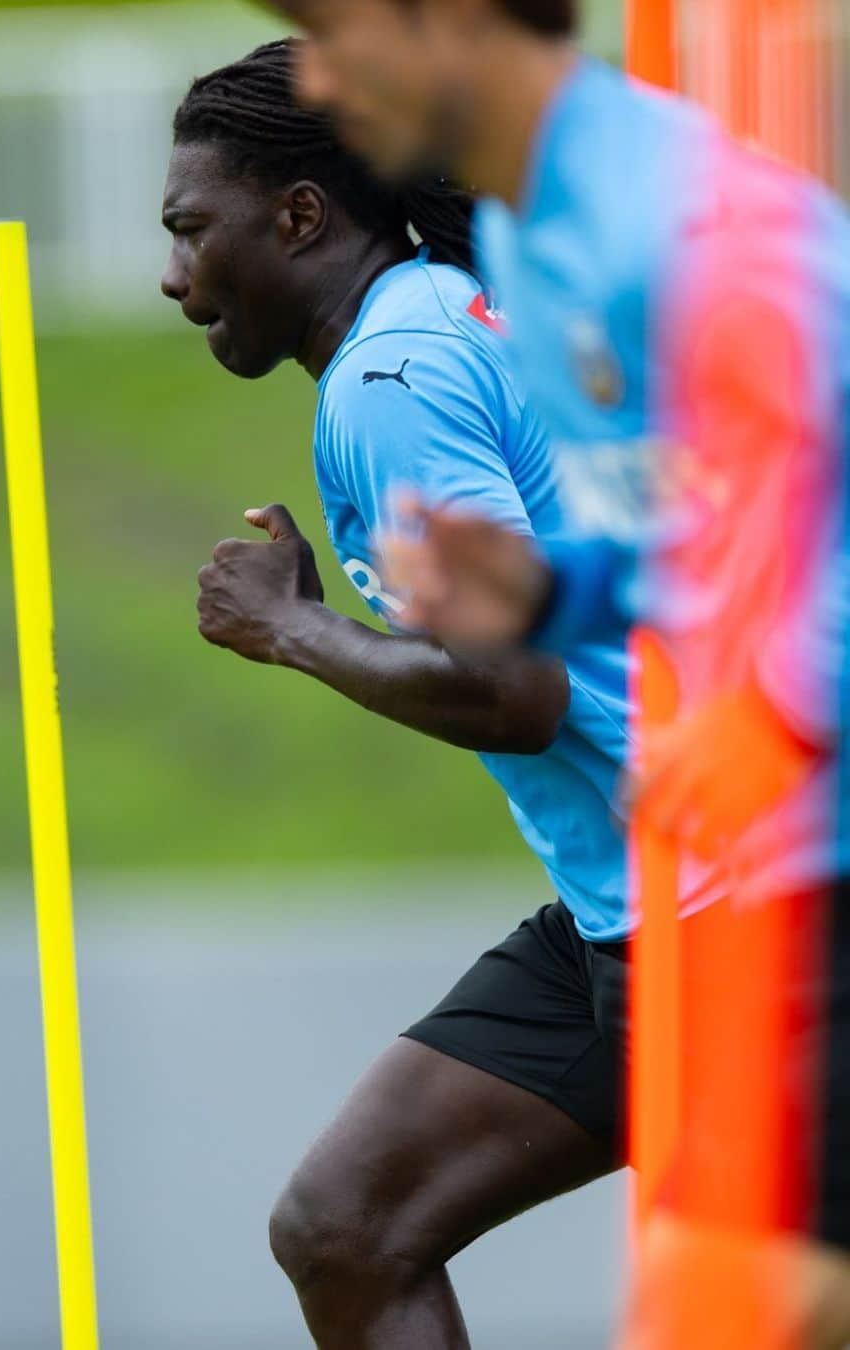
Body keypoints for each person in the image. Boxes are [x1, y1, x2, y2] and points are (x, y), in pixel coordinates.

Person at [263, 0, 850, 1344]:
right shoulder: (532, 239)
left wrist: (769, 711)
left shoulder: (686, 222)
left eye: (330, 28)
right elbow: (707, 522)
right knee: (354, 1224)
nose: (311, 72)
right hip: (704, 895)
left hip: (798, 882)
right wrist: (552, 586)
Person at [160, 37, 681, 1350]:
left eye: (190, 230)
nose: (175, 278)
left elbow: (517, 692)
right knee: (346, 1225)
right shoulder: (456, 308)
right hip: (643, 893)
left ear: (297, 214)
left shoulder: (390, 382)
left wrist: (288, 631)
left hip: (714, 905)